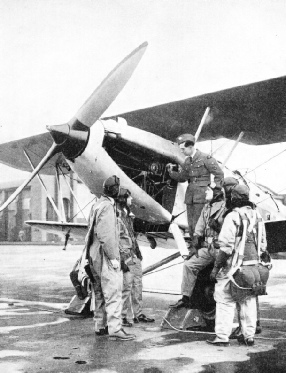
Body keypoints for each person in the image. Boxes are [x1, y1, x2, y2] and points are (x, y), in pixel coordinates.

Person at [207, 184, 268, 347]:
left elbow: (226, 247)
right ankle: (249, 336)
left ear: (234, 198)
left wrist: (215, 269)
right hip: (254, 269)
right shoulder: (258, 215)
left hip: (233, 268)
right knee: (248, 300)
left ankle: (222, 337)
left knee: (224, 300)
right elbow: (262, 245)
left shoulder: (233, 216)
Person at [86, 175, 135, 341]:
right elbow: (106, 236)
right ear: (114, 190)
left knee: (99, 293)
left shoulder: (97, 205)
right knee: (113, 291)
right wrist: (114, 258)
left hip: (93, 255)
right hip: (104, 256)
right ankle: (115, 329)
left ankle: (100, 326)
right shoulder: (108, 207)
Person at [170, 184, 225, 310]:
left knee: (226, 278)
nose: (205, 193)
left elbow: (230, 231)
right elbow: (199, 229)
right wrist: (194, 246)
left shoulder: (225, 208)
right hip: (208, 248)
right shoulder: (207, 208)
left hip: (221, 248)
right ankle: (186, 298)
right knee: (189, 265)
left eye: (208, 191)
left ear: (216, 193)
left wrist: (218, 228)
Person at [167, 134, 224, 244]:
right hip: (190, 197)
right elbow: (183, 178)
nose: (182, 151)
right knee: (191, 226)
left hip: (201, 196)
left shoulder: (205, 158)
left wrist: (214, 189)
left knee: (199, 225)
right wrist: (171, 173)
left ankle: (202, 248)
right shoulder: (187, 161)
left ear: (190, 147)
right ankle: (195, 249)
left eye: (183, 149)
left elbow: (219, 174)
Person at [117, 188, 155, 327]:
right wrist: (122, 259)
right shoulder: (117, 217)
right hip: (126, 255)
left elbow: (132, 234)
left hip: (134, 254)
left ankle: (138, 314)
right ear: (122, 199)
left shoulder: (126, 215)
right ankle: (122, 317)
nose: (131, 199)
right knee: (127, 287)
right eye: (129, 197)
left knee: (138, 284)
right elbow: (116, 239)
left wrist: (138, 253)